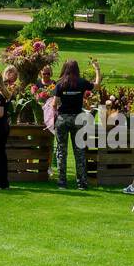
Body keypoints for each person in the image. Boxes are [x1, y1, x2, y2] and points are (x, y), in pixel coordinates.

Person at [51, 57, 101, 189]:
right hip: (78, 119)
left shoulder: (60, 83)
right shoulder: (81, 82)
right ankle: (82, 183)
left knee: (61, 151)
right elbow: (97, 86)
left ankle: (62, 182)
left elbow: (54, 103)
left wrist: (55, 115)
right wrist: (97, 70)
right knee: (79, 151)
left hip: (63, 119)